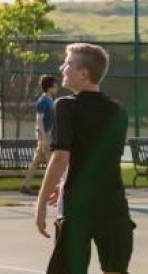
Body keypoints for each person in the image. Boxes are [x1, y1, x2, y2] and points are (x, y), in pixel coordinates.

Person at [33, 42, 133, 274]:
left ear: (83, 73)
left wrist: (40, 203)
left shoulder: (66, 106)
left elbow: (60, 158)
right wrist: (63, 181)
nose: (62, 67)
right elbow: (101, 158)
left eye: (68, 63)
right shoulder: (118, 110)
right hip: (114, 206)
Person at [21, 74, 60, 194]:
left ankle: (25, 185)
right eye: (55, 85)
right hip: (45, 135)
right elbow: (39, 120)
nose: (57, 87)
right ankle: (52, 188)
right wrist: (44, 138)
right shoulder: (43, 101)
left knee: (37, 161)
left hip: (47, 134)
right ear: (49, 87)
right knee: (51, 162)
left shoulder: (49, 100)